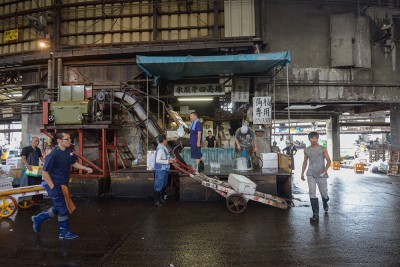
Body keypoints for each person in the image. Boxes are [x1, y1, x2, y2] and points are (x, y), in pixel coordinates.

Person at [31, 132, 93, 239]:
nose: (70, 141)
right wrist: (53, 188)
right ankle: (63, 232)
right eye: (67, 139)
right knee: (63, 209)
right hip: (53, 185)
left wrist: (85, 168)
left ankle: (39, 218)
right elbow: (45, 173)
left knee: (58, 207)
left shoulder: (69, 152)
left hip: (63, 185)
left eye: (69, 139)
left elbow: (73, 163)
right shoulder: (53, 155)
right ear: (59, 141)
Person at [301, 131, 332, 222]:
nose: (314, 140)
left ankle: (325, 201)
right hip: (311, 173)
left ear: (318, 139)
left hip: (321, 173)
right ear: (309, 139)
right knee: (312, 192)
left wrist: (325, 169)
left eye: (315, 138)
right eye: (312, 138)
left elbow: (329, 161)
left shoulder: (323, 148)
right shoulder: (306, 150)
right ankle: (315, 214)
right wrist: (302, 172)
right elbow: (305, 162)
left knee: (324, 193)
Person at [154, 134, 176, 207]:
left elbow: (167, 157)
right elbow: (157, 160)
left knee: (163, 184)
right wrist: (168, 162)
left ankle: (161, 198)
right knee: (158, 185)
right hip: (160, 170)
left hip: (165, 169)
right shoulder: (160, 149)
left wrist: (171, 160)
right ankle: (156, 201)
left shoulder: (164, 147)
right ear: (163, 140)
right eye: (166, 139)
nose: (167, 140)